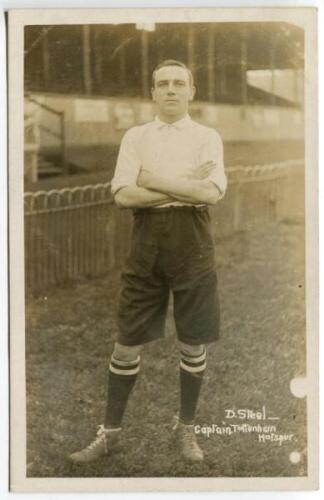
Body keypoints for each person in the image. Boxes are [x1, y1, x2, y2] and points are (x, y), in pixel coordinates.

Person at [69, 59, 227, 464]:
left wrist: (153, 180)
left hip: (192, 241)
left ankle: (186, 429)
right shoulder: (136, 137)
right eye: (163, 84)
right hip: (147, 240)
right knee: (126, 343)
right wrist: (184, 184)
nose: (171, 90)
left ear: (192, 91)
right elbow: (123, 196)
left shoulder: (207, 137)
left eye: (179, 83)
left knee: (192, 341)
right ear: (153, 93)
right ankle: (110, 433)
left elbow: (209, 194)